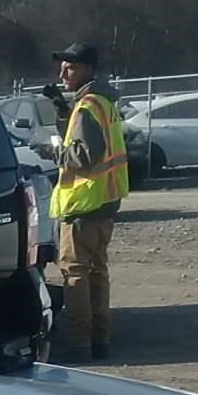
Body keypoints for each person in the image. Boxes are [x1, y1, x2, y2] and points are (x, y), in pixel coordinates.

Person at [50, 41, 127, 361]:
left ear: (87, 70)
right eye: (63, 66)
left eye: (70, 66)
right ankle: (99, 340)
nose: (63, 72)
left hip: (83, 204)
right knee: (97, 271)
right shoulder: (102, 103)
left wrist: (51, 151)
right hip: (104, 202)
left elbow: (83, 155)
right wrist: (61, 110)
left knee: (76, 273)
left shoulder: (87, 107)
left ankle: (80, 343)